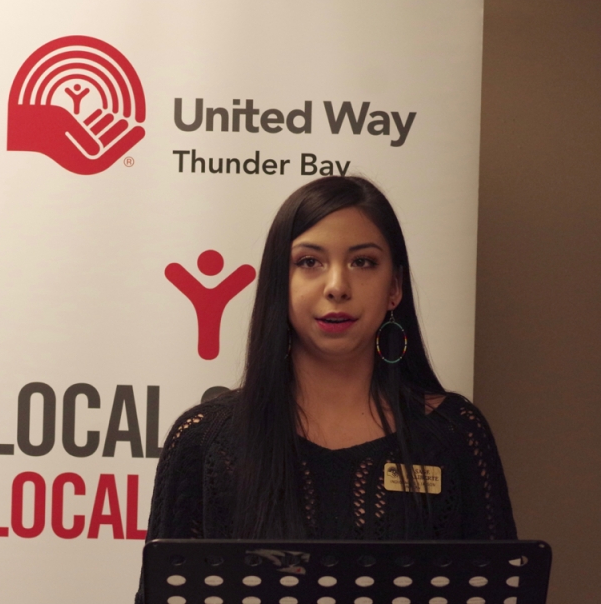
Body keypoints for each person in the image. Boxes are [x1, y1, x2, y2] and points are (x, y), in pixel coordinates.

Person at [138, 176, 516, 600]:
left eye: (363, 262)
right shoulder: (205, 441)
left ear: (394, 287)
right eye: (309, 262)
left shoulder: (455, 433)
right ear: (279, 284)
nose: (337, 286)